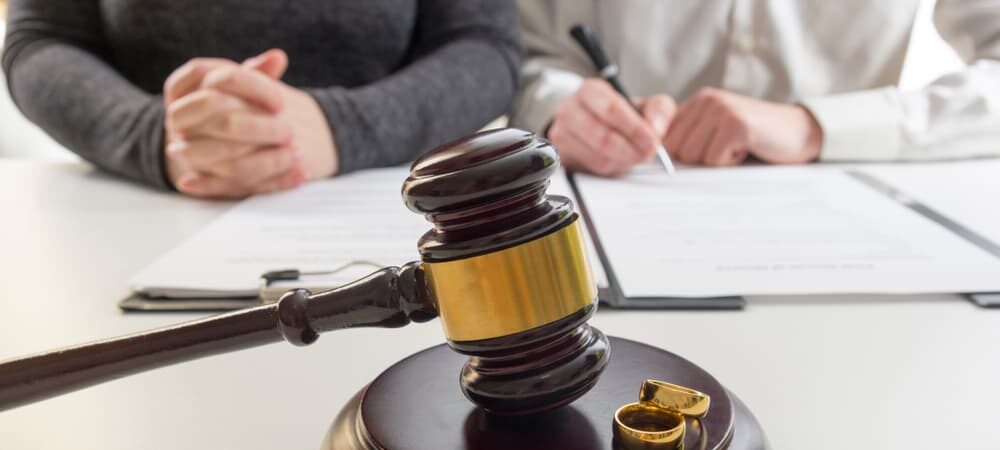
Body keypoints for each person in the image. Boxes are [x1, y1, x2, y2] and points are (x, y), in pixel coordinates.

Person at [2, 1, 521, 198]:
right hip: (138, 210)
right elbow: (39, 41)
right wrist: (153, 134)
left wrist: (340, 128)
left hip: (380, 214)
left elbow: (485, 46)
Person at [511, 0, 1000, 176]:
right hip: (610, 208)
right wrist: (561, 110)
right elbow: (519, 53)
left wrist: (816, 127)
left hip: (843, 240)